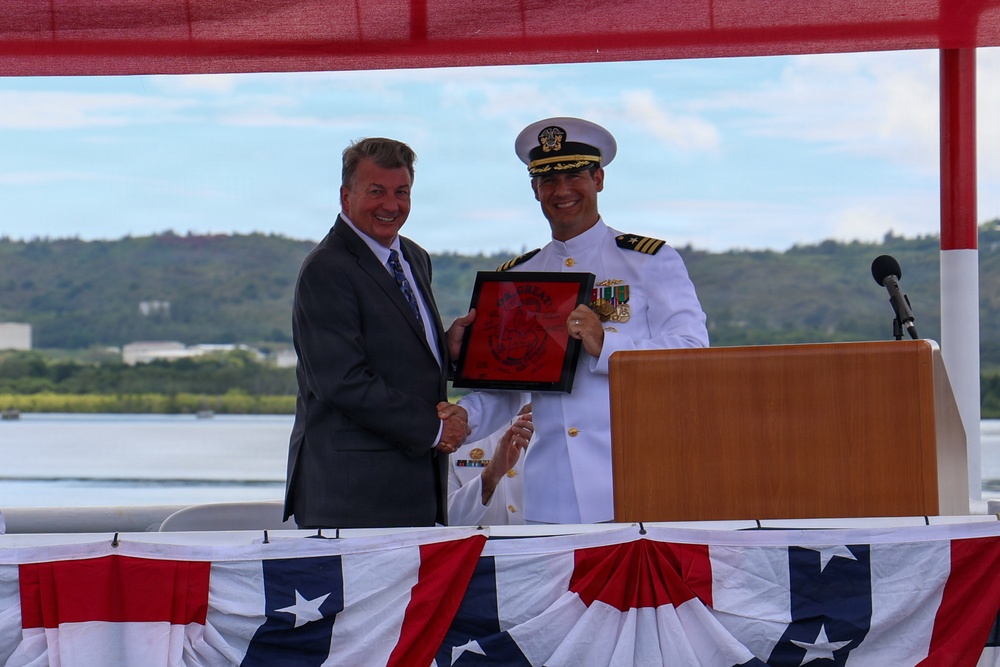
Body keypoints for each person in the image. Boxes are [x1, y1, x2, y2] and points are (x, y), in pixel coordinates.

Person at [441, 117, 709, 524]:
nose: (561, 190)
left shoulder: (649, 261)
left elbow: (693, 354)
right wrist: (465, 418)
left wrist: (606, 345)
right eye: (548, 180)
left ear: (598, 179)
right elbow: (506, 386)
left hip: (635, 485)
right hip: (553, 497)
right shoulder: (518, 278)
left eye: (574, 176)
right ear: (534, 189)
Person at [283, 137, 467, 529]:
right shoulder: (326, 269)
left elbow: (402, 356)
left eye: (401, 192)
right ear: (345, 196)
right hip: (349, 497)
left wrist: (447, 351)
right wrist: (435, 429)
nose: (391, 205)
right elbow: (342, 382)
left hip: (413, 491)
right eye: (376, 192)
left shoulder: (414, 257)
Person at [448, 402, 533, 526]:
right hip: (480, 544)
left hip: (546, 543)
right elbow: (447, 520)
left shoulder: (556, 431)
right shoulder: (457, 430)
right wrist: (490, 477)